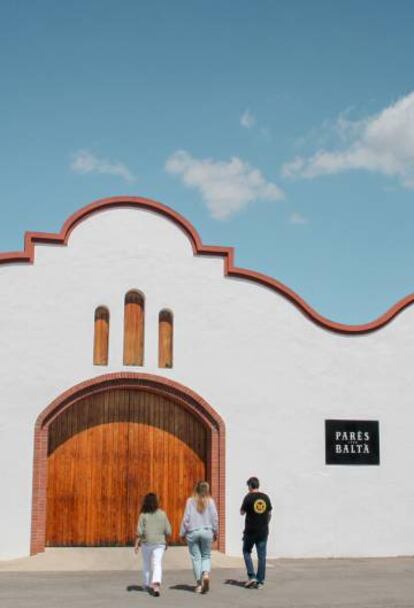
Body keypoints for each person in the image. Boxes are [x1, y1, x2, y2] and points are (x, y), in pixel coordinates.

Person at [180, 480, 218, 593]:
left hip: (193, 532)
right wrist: (215, 532)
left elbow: (186, 518)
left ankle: (198, 584)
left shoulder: (190, 501)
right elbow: (215, 518)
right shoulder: (210, 501)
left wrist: (182, 532)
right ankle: (206, 574)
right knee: (206, 555)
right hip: (207, 531)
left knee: (196, 558)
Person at [134, 492, 172, 596]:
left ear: (145, 502)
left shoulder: (143, 515)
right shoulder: (162, 514)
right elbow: (168, 530)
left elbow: (139, 532)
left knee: (146, 564)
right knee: (157, 563)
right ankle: (156, 585)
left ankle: (146, 585)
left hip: (147, 543)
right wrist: (166, 540)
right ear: (156, 502)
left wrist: (136, 544)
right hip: (160, 543)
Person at [240, 476, 272, 589]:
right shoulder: (266, 497)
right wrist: (265, 524)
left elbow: (242, 512)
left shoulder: (248, 497)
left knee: (246, 551)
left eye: (248, 486)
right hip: (263, 531)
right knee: (262, 556)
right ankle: (260, 581)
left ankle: (251, 576)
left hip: (250, 531)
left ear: (250, 486)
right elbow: (269, 514)